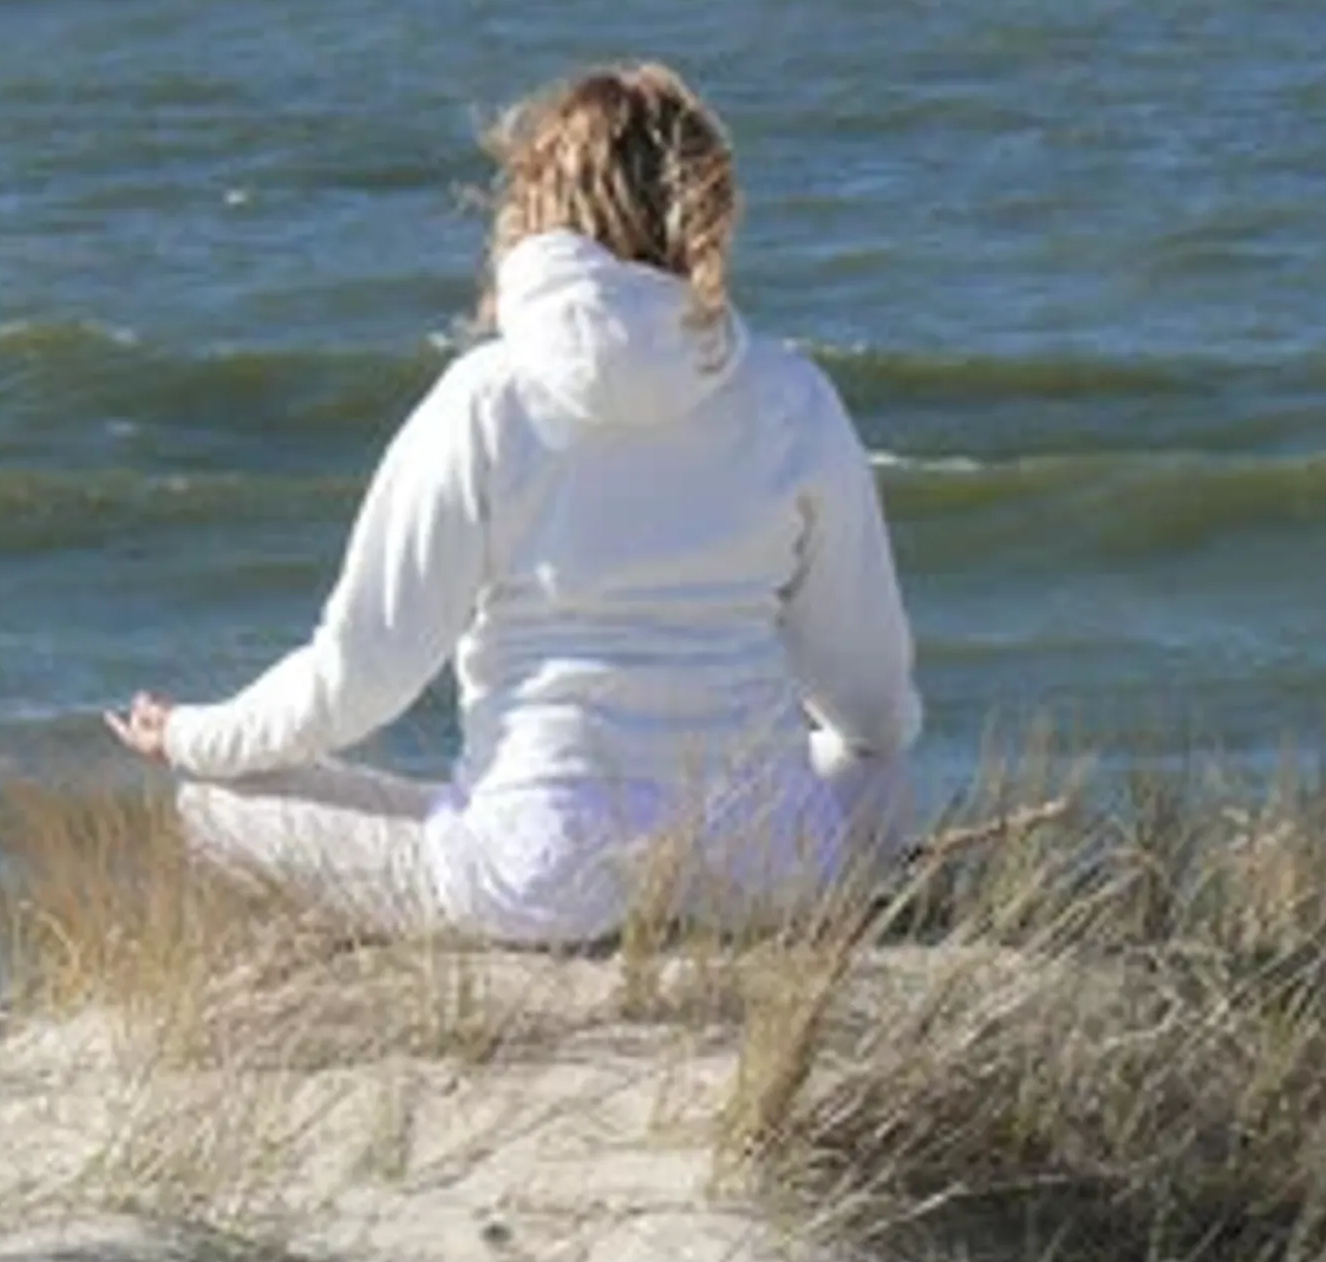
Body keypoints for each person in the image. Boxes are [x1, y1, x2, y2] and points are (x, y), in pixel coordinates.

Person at [106, 61, 922, 946]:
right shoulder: (792, 396)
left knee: (215, 801)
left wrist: (190, 736)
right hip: (762, 875)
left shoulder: (486, 399)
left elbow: (361, 676)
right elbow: (870, 704)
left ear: (538, 204)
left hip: (539, 881)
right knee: (876, 773)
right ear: (704, 211)